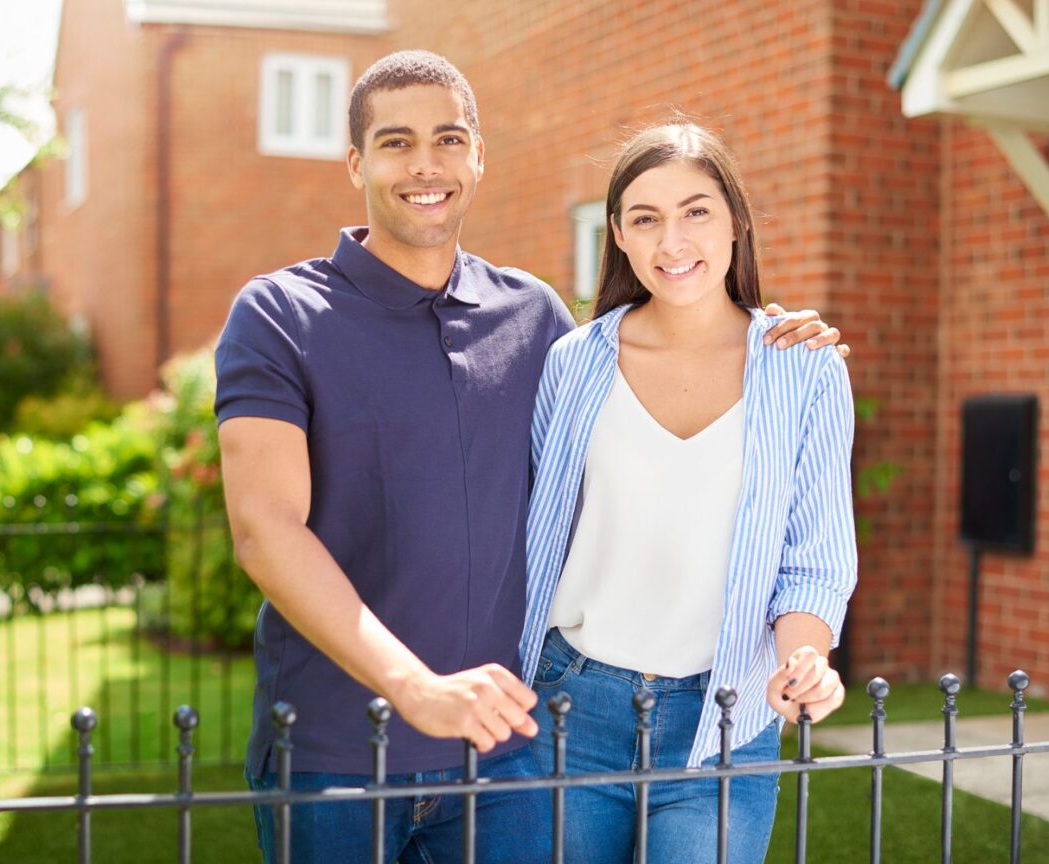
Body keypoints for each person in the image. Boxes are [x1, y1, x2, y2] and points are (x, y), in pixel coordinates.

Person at [215, 52, 843, 863]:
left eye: (448, 138)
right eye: (396, 142)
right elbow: (265, 528)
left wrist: (779, 336)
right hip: (340, 750)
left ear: (479, 155)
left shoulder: (534, 320)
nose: (426, 165)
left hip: (506, 750)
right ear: (355, 162)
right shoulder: (279, 314)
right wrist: (416, 688)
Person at [518, 122, 858, 863]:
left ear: (736, 220)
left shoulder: (805, 370)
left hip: (727, 716)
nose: (672, 241)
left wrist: (805, 661)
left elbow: (815, 557)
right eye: (645, 218)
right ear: (619, 235)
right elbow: (534, 533)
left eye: (696, 211)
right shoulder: (574, 364)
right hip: (573, 706)